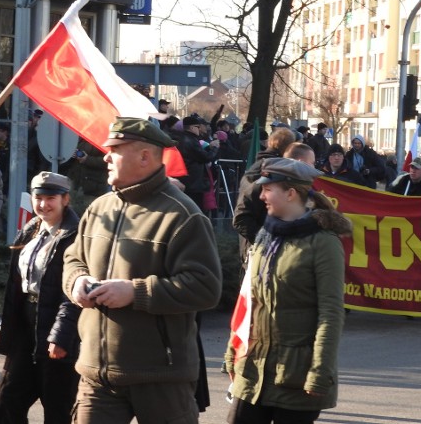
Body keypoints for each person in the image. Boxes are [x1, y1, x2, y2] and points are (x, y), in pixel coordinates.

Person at [62, 117, 222, 424]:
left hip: (161, 376)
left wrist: (134, 292)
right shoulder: (99, 209)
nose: (105, 156)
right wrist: (77, 281)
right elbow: (73, 258)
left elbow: (205, 286)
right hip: (97, 373)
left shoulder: (183, 214)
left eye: (115, 149)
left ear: (145, 157)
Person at [225, 158, 350, 424]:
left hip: (296, 374)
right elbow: (249, 300)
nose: (261, 196)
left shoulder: (324, 242)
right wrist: (232, 350)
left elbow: (331, 313)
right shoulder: (265, 235)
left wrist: (320, 370)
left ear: (291, 193)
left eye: (268, 189)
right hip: (253, 369)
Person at [0, 172, 81, 424]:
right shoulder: (31, 229)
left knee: (58, 407)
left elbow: (72, 291)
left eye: (50, 198)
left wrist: (61, 336)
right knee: (7, 401)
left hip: (59, 330)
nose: (43, 204)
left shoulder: (75, 235)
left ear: (66, 199)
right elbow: (15, 285)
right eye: (38, 197)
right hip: (26, 327)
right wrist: (6, 324)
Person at [233, 126, 297, 251]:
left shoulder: (261, 167)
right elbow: (241, 218)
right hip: (259, 250)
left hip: (255, 245)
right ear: (289, 148)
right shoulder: (268, 171)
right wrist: (267, 243)